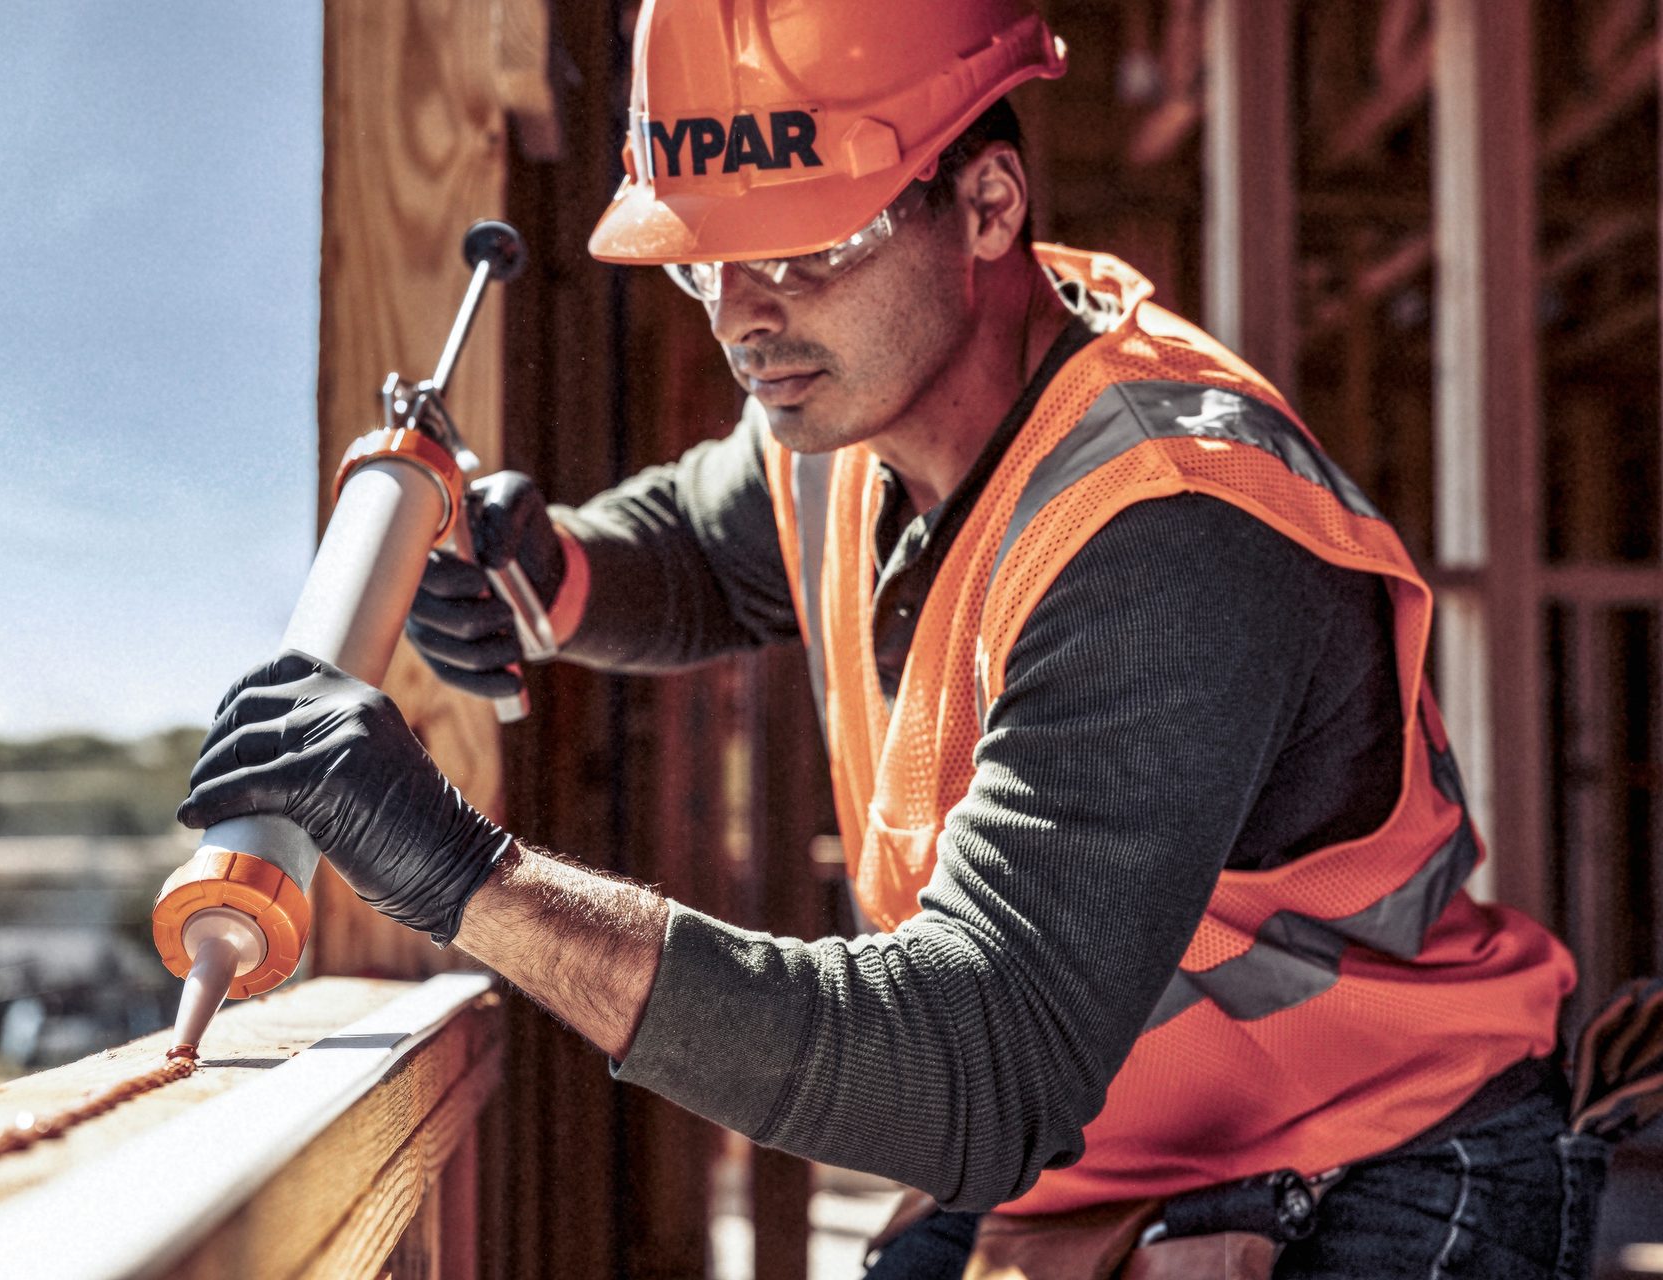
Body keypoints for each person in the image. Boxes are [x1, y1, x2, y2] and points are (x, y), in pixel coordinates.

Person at [178, 2, 1598, 1275]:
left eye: (797, 247)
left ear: (985, 205)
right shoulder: (841, 412)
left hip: (1370, 1154)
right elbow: (704, 546)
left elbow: (972, 1069)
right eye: (707, 262)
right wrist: (546, 573)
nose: (741, 320)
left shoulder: (1173, 532)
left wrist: (462, 874)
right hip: (1098, 1155)